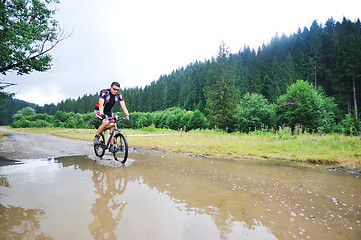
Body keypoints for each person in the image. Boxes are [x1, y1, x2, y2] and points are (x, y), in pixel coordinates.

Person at [94, 82, 130, 148]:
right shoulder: (104, 92)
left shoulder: (119, 95)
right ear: (111, 88)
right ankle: (96, 136)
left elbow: (123, 106)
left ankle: (111, 145)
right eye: (114, 89)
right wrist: (102, 114)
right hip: (99, 110)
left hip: (108, 112)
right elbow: (101, 104)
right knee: (106, 122)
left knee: (112, 125)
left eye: (117, 90)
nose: (116, 91)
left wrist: (127, 115)